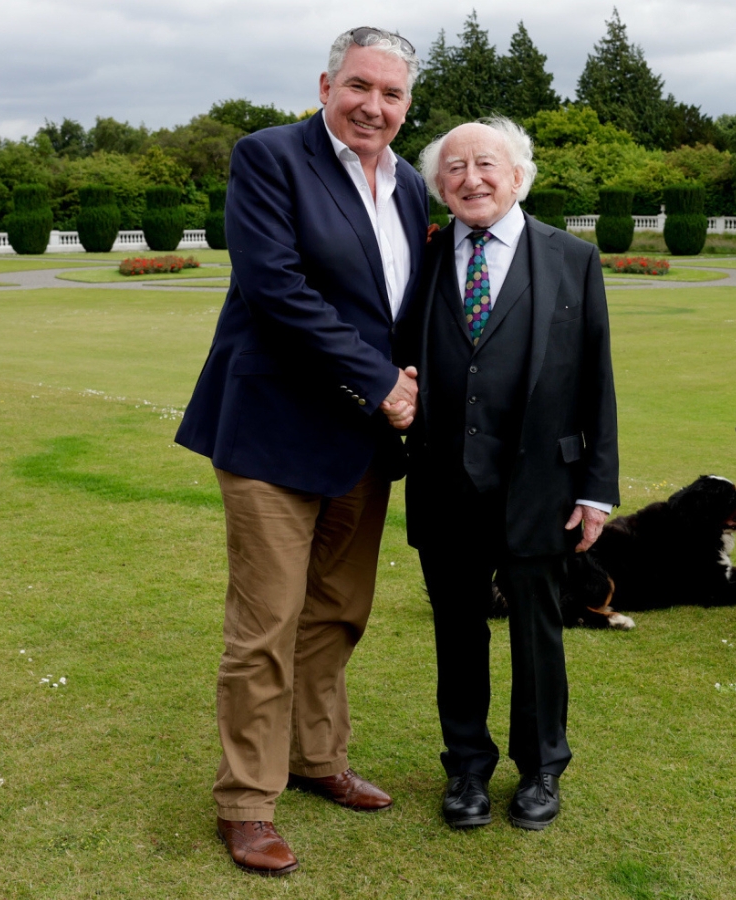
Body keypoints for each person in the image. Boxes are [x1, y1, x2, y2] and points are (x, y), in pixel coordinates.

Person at [172, 26, 428, 877]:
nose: (374, 106)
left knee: (338, 614)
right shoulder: (269, 157)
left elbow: (405, 315)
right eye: (360, 87)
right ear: (326, 86)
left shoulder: (413, 187)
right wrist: (382, 380)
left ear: (406, 105)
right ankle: (246, 802)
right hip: (272, 431)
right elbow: (275, 286)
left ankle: (319, 759)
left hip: (363, 441)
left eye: (392, 95)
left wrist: (418, 387)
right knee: (266, 626)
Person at [395, 119, 620, 831]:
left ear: (518, 175)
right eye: (454, 168)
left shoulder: (572, 258)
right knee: (457, 634)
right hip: (443, 483)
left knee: (538, 635)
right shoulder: (424, 257)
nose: (471, 179)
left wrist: (596, 488)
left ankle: (542, 768)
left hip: (540, 489)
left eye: (486, 163)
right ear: (440, 186)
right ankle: (466, 769)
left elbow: (596, 380)